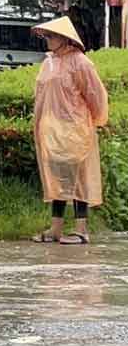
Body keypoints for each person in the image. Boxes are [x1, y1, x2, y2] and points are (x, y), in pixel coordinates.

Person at [31, 17, 109, 245]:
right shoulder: (48, 63)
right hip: (51, 132)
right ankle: (56, 228)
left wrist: (94, 121)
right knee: (57, 179)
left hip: (75, 129)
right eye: (46, 36)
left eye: (52, 36)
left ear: (65, 39)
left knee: (78, 179)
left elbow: (95, 95)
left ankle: (81, 229)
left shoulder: (81, 63)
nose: (48, 40)